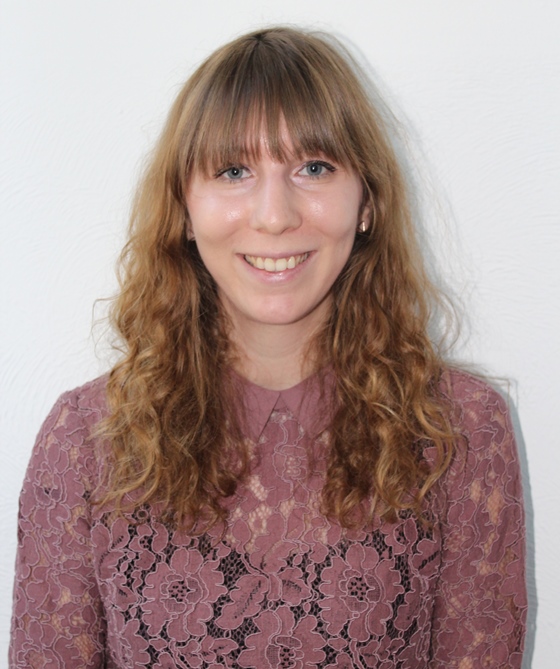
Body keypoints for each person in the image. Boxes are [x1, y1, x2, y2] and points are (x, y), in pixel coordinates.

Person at [10, 27, 527, 668]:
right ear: (184, 209)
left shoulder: (461, 432)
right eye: (234, 171)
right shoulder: (85, 440)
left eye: (314, 168)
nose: (275, 215)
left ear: (367, 202)